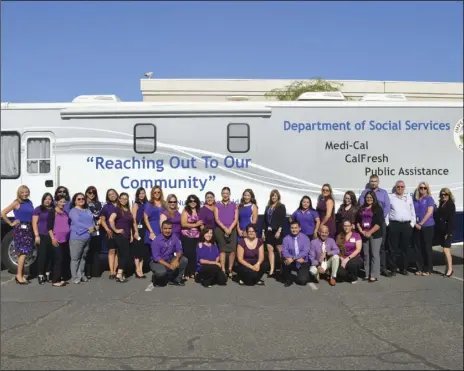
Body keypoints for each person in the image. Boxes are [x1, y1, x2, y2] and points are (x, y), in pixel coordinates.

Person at [359, 175, 391, 277]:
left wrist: (380, 218)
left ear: (378, 182)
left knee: (380, 247)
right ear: (369, 182)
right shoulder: (364, 193)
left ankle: (382, 268)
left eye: (375, 181)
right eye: (372, 181)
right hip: (366, 224)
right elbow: (361, 207)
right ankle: (368, 272)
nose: (373, 183)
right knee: (367, 250)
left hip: (379, 223)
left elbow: (387, 206)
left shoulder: (384, 192)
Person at [1, 185, 35, 284]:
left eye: (26, 192)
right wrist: (11, 223)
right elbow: (3, 213)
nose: (24, 194)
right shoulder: (17, 203)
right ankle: (19, 276)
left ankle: (21, 275)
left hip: (28, 228)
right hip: (20, 229)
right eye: (22, 192)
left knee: (26, 252)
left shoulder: (29, 202)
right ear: (19, 193)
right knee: (22, 253)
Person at [386, 180, 416, 276]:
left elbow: (412, 211)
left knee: (405, 248)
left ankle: (404, 268)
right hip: (394, 225)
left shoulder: (408, 197)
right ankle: (393, 269)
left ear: (404, 188)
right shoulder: (391, 197)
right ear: (395, 187)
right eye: (398, 186)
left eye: (402, 187)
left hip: (406, 225)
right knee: (392, 248)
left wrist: (412, 223)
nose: (400, 188)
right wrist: (387, 224)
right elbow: (387, 211)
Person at [109, 192, 139, 283]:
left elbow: (130, 224)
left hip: (127, 236)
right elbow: (111, 220)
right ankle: (119, 274)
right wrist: (116, 230)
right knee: (125, 255)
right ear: (119, 199)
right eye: (122, 198)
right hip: (120, 236)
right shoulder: (117, 209)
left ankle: (120, 273)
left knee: (123, 255)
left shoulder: (127, 210)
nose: (124, 200)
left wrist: (131, 233)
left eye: (126, 199)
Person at [357, 191, 384, 282]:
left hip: (375, 234)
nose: (369, 199)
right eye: (367, 197)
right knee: (365, 255)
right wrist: (361, 231)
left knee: (374, 254)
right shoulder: (361, 208)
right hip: (364, 234)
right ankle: (366, 273)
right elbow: (357, 221)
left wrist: (370, 232)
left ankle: (374, 274)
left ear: (374, 198)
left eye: (371, 197)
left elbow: (379, 224)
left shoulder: (378, 208)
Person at [150, 220, 187, 287]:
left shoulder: (174, 237)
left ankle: (176, 280)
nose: (167, 231)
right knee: (161, 273)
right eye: (165, 228)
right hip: (158, 262)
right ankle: (156, 278)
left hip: (170, 259)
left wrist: (176, 259)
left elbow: (179, 249)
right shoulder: (156, 240)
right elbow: (156, 258)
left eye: (169, 228)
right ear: (161, 229)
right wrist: (169, 266)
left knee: (184, 260)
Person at [68, 193, 95, 284]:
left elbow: (92, 221)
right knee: (75, 259)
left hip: (87, 237)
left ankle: (81, 275)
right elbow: (77, 222)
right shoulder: (73, 211)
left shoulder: (87, 210)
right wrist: (89, 228)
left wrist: (94, 227)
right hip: (77, 237)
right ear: (75, 201)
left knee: (83, 258)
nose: (81, 200)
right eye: (79, 199)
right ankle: (75, 277)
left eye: (83, 198)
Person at [214, 187, 238, 278]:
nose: (225, 195)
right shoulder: (217, 205)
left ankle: (230, 270)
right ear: (221, 194)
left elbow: (236, 219)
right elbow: (217, 219)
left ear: (229, 194)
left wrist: (230, 229)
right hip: (220, 229)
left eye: (227, 193)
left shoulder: (234, 205)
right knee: (222, 250)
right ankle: (223, 269)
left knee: (232, 250)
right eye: (223, 193)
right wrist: (225, 228)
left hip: (232, 229)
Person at [412, 182, 435, 276]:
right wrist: (415, 223)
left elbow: (429, 212)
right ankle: (419, 268)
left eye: (424, 188)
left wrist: (421, 223)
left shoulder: (429, 199)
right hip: (417, 226)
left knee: (427, 247)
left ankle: (428, 268)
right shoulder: (416, 199)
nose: (422, 189)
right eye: (421, 188)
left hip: (427, 226)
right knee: (418, 248)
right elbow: (412, 212)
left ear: (427, 189)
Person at [262, 189, 286, 278]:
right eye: (272, 196)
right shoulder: (268, 207)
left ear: (278, 197)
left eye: (275, 196)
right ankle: (272, 269)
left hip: (277, 231)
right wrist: (263, 231)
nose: (274, 197)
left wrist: (279, 231)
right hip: (269, 232)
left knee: (280, 250)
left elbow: (282, 220)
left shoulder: (281, 206)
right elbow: (265, 220)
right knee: (270, 250)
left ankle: (283, 269)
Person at [47, 195, 70, 287]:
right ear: (56, 202)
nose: (62, 203)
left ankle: (60, 277)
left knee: (62, 259)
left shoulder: (65, 212)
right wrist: (53, 238)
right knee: (58, 260)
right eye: (60, 202)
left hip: (65, 240)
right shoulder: (53, 212)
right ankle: (55, 280)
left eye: (64, 202)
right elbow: (49, 227)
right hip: (56, 239)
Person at [32, 192, 54, 284]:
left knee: (50, 255)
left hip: (52, 235)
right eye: (46, 199)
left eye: (49, 199)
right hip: (42, 235)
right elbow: (34, 223)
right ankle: (40, 275)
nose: (47, 201)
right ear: (43, 200)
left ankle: (48, 273)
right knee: (42, 256)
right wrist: (36, 235)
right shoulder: (38, 209)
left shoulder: (54, 209)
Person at [281, 220, 311, 287]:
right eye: (292, 228)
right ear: (290, 228)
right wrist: (294, 259)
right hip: (291, 260)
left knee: (302, 281)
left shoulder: (305, 238)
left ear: (299, 228)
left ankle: (304, 274)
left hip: (302, 261)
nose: (294, 230)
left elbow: (305, 251)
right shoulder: (286, 239)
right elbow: (284, 251)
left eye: (296, 228)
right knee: (286, 263)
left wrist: (294, 258)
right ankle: (288, 279)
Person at [434, 188, 456, 277]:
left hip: (448, 230)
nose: (443, 196)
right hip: (441, 230)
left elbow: (451, 220)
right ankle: (447, 268)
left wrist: (448, 232)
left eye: (445, 194)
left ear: (449, 195)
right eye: (442, 194)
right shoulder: (442, 204)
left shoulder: (451, 204)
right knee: (445, 250)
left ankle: (450, 269)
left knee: (446, 249)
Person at [180, 194, 202, 280]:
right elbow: (183, 224)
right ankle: (186, 273)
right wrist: (196, 224)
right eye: (191, 201)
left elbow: (202, 223)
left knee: (194, 254)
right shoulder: (185, 211)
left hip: (197, 236)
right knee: (187, 254)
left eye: (194, 201)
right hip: (187, 236)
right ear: (188, 202)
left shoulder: (199, 211)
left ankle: (192, 272)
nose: (193, 203)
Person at [336, 219, 363, 284]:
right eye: (345, 225)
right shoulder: (339, 236)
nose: (346, 227)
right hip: (342, 257)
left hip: (354, 257)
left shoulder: (356, 235)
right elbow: (336, 249)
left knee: (351, 265)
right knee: (340, 273)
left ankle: (354, 277)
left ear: (351, 226)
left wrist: (347, 259)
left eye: (348, 225)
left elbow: (358, 249)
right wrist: (342, 258)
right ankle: (347, 275)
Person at [100, 189, 119, 279]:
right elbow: (102, 220)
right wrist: (107, 229)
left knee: (118, 252)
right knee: (112, 251)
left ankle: (115, 271)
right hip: (110, 232)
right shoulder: (106, 207)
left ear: (116, 194)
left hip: (120, 232)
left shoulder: (121, 204)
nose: (112, 196)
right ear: (108, 197)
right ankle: (111, 272)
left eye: (113, 194)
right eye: (110, 194)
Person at [85, 186, 102, 278]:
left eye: (93, 192)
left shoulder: (98, 203)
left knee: (95, 251)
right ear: (86, 193)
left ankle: (95, 271)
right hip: (86, 229)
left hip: (96, 229)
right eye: (90, 192)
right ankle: (87, 272)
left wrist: (98, 223)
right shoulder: (83, 203)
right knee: (87, 251)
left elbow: (100, 215)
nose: (92, 194)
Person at [131, 187, 148, 278]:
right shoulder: (135, 204)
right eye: (140, 193)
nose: (141, 195)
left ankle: (141, 269)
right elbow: (133, 219)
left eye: (143, 193)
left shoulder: (146, 204)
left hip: (145, 229)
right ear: (137, 195)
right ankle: (137, 269)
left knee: (142, 250)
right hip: (137, 228)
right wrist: (136, 231)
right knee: (137, 251)